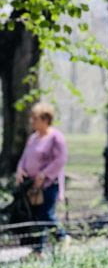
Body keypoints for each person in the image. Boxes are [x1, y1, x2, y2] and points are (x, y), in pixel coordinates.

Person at [14, 102, 68, 254]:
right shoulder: (33, 138)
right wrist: (20, 170)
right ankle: (38, 250)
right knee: (36, 216)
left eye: (35, 119)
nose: (32, 122)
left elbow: (60, 160)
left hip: (49, 184)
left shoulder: (56, 137)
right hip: (32, 185)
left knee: (46, 214)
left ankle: (62, 237)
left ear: (45, 120)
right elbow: (25, 157)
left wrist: (44, 174)